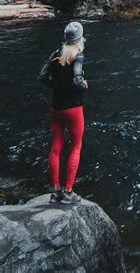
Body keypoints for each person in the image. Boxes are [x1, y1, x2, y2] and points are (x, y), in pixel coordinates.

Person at [39, 21, 88, 204]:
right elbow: (77, 81)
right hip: (73, 108)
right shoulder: (78, 56)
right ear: (79, 39)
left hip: (56, 107)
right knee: (76, 146)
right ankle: (68, 192)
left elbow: (42, 77)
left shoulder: (55, 55)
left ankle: (56, 192)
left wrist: (57, 87)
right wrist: (84, 86)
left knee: (56, 147)